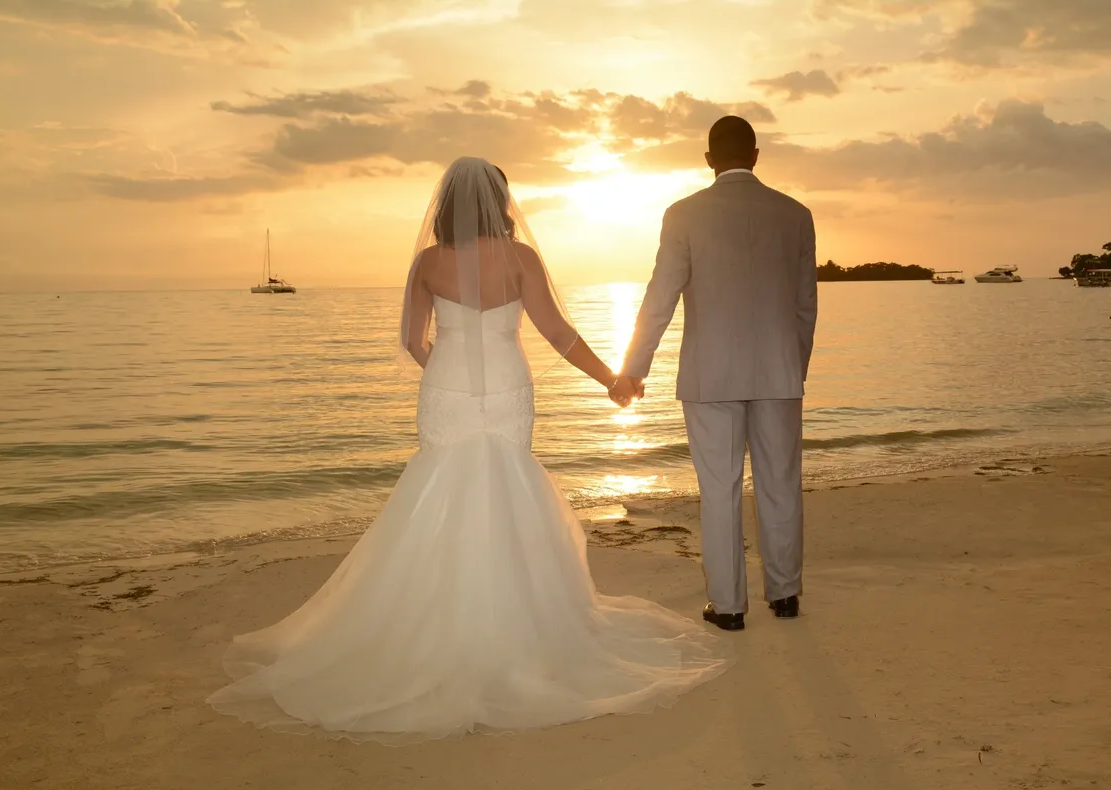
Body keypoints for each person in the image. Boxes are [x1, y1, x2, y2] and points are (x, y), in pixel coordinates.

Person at [207, 157, 732, 744]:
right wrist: (613, 379)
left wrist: (448, 375)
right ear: (499, 201)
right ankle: (516, 630)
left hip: (447, 392)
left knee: (440, 498)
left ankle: (433, 627)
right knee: (507, 496)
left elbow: (412, 341)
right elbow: (559, 334)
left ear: (446, 203)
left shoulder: (427, 264)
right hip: (509, 390)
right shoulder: (521, 260)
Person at [613, 116, 818, 632]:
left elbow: (660, 298)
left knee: (720, 488)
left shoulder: (684, 215)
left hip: (710, 377)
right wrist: (797, 367)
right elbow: (804, 306)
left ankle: (728, 607)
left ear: (709, 159)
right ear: (755, 154)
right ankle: (785, 593)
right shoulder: (795, 214)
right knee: (780, 483)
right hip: (778, 372)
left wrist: (633, 369)